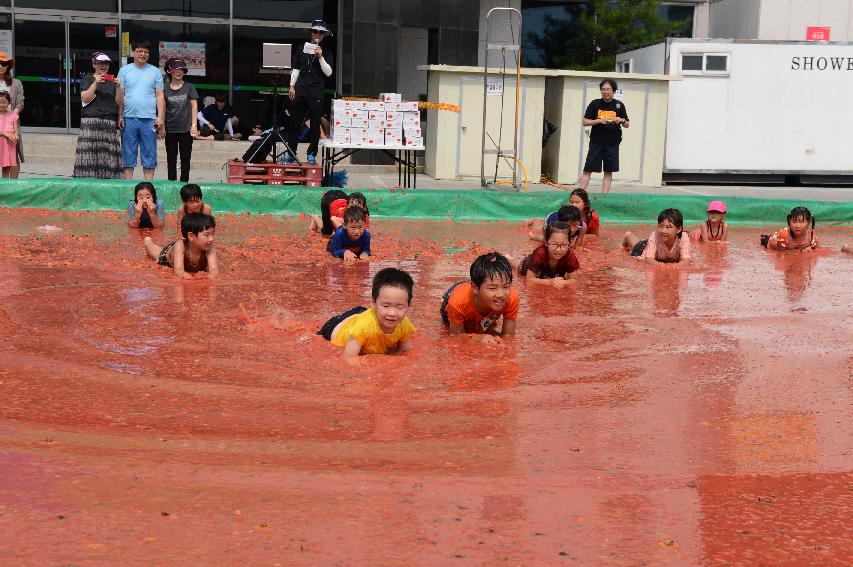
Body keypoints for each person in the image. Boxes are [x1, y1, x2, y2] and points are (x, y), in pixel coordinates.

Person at [318, 267, 416, 360]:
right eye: (386, 306)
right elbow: (349, 357)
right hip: (334, 328)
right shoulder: (362, 327)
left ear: (408, 306)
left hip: (364, 315)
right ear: (373, 303)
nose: (392, 313)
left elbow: (405, 352)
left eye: (400, 307)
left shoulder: (404, 324)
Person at [440, 251, 519, 343]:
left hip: (479, 287)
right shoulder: (458, 302)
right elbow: (455, 336)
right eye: (493, 288)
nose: (501, 294)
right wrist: (477, 338)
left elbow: (508, 336)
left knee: (486, 327)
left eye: (506, 286)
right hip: (456, 296)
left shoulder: (512, 298)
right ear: (475, 288)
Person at [286, 19, 334, 165]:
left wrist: (320, 57)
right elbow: (296, 68)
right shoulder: (301, 48)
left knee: (314, 126)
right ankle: (291, 154)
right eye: (315, 31)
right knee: (295, 123)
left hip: (316, 92)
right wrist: (291, 86)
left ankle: (311, 154)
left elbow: (329, 73)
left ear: (324, 34)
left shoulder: (327, 51)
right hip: (300, 90)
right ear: (310, 33)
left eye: (321, 32)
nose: (317, 34)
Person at [117, 38, 165, 181]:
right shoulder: (124, 71)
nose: (143, 54)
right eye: (139, 51)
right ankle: (128, 185)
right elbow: (120, 95)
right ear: (133, 52)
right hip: (128, 118)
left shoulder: (155, 71)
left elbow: (160, 95)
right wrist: (119, 115)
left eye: (146, 51)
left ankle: (147, 186)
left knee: (149, 153)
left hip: (149, 119)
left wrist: (160, 117)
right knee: (128, 153)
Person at [73, 52, 123, 179]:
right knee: (88, 155)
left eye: (106, 63)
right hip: (90, 121)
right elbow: (85, 98)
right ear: (94, 64)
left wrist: (118, 87)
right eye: (100, 63)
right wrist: (95, 83)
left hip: (108, 122)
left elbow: (119, 103)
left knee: (108, 157)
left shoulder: (113, 82)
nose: (104, 66)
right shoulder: (87, 79)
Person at [578, 78, 629, 194]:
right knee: (588, 169)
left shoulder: (619, 105)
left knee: (608, 171)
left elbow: (627, 124)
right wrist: (598, 121)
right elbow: (585, 122)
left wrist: (621, 120)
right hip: (596, 142)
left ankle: (604, 196)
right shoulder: (595, 104)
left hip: (613, 143)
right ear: (601, 91)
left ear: (614, 90)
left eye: (608, 89)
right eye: (603, 89)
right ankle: (579, 194)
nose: (606, 91)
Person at [143, 212, 218, 279]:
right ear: (191, 236)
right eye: (207, 235)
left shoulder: (209, 247)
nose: (211, 238)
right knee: (155, 252)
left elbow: (214, 271)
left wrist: (209, 278)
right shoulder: (180, 246)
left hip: (181, 248)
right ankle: (148, 242)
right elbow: (179, 272)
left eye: (212, 234)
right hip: (166, 256)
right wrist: (193, 281)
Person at [162, 58, 199, 182]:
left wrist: (194, 125)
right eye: (176, 69)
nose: (179, 71)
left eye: (182, 69)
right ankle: (171, 184)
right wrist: (161, 126)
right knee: (171, 159)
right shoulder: (164, 89)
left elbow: (194, 106)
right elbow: (162, 108)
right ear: (169, 71)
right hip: (170, 128)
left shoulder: (190, 87)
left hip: (186, 129)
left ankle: (184, 185)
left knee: (185, 158)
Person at [512, 222, 580, 287]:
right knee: (517, 265)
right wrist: (550, 282)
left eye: (564, 244)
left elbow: (575, 280)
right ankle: (508, 258)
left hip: (549, 273)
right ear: (546, 243)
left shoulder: (569, 254)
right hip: (529, 264)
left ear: (569, 244)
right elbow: (529, 280)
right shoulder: (539, 253)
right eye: (554, 244)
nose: (558, 250)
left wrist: (564, 282)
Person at [622, 208, 691, 264]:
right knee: (636, 245)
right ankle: (628, 236)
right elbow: (649, 260)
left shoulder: (683, 238)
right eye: (660, 226)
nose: (663, 231)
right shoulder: (654, 235)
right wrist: (663, 266)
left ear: (678, 229)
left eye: (668, 227)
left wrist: (676, 266)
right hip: (647, 247)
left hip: (656, 248)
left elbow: (686, 261)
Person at [0, 52, 24, 178]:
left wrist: (12, 116)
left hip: (10, 124)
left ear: (8, 66)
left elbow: (20, 102)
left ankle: (14, 186)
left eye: (4, 63)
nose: (1, 66)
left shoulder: (16, 83)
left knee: (13, 155)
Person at [0, 92, 19, 177]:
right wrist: (4, 133)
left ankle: (4, 187)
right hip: (1, 142)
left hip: (9, 144)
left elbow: (16, 130)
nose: (2, 104)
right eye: (0, 102)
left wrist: (16, 135)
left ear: (9, 102)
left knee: (6, 169)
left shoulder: (13, 115)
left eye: (4, 102)